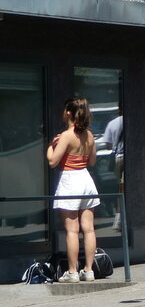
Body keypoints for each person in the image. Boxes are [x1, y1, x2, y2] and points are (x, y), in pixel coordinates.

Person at [47, 97, 100, 283]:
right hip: (86, 179)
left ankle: (72, 271)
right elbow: (92, 161)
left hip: (70, 179)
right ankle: (89, 270)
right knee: (89, 229)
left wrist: (50, 147)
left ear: (68, 112)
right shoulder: (89, 135)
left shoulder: (66, 136)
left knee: (71, 229)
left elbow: (53, 161)